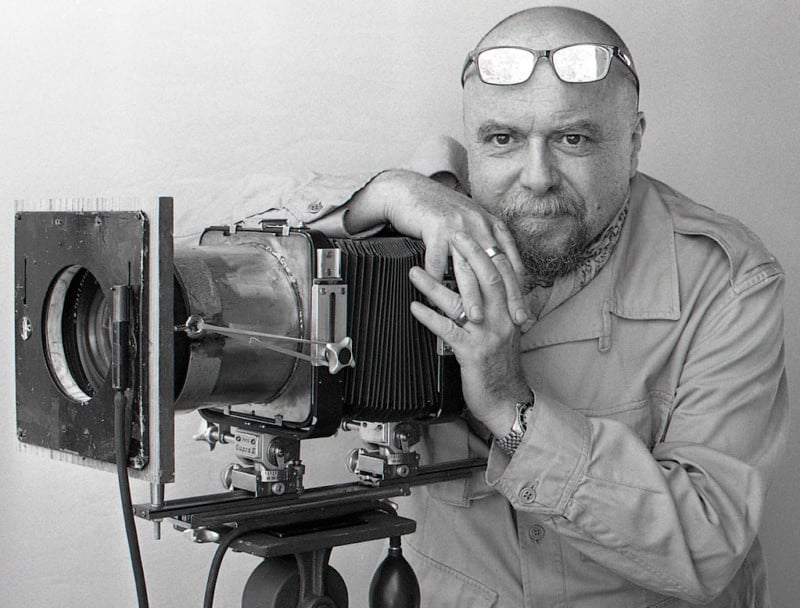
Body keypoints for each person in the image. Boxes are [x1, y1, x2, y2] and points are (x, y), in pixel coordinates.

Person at [188, 6, 786, 607]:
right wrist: (387, 191)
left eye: (572, 139)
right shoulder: (412, 225)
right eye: (502, 139)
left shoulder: (729, 282)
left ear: (633, 143)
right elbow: (190, 252)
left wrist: (511, 408)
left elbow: (707, 544)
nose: (536, 177)